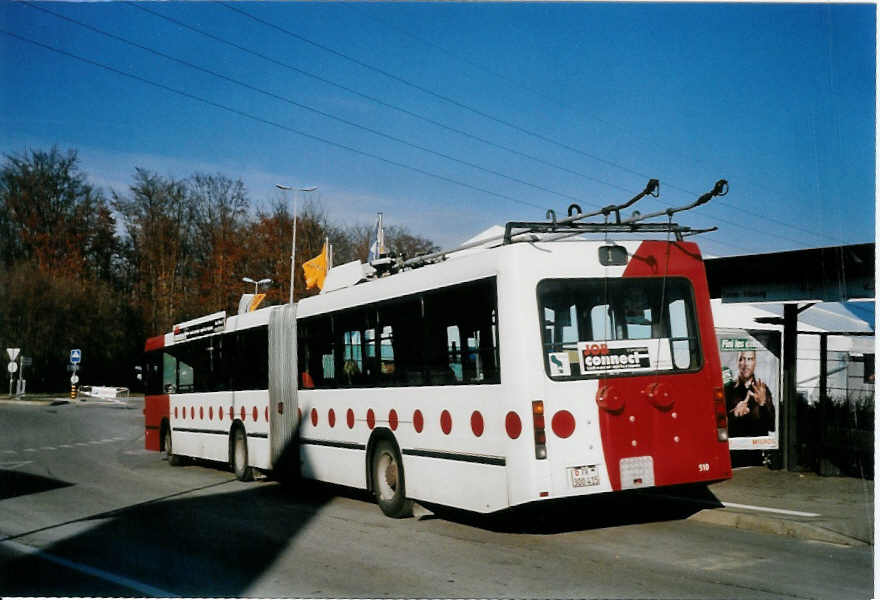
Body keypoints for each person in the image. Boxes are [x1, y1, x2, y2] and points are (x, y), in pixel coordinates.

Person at [724, 350, 775, 437]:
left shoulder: (762, 390)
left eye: (750, 359)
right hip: (734, 447)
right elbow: (717, 426)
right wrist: (734, 414)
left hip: (756, 448)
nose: (745, 364)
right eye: (741, 359)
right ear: (737, 362)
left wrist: (763, 404)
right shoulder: (728, 389)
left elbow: (772, 426)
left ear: (755, 362)